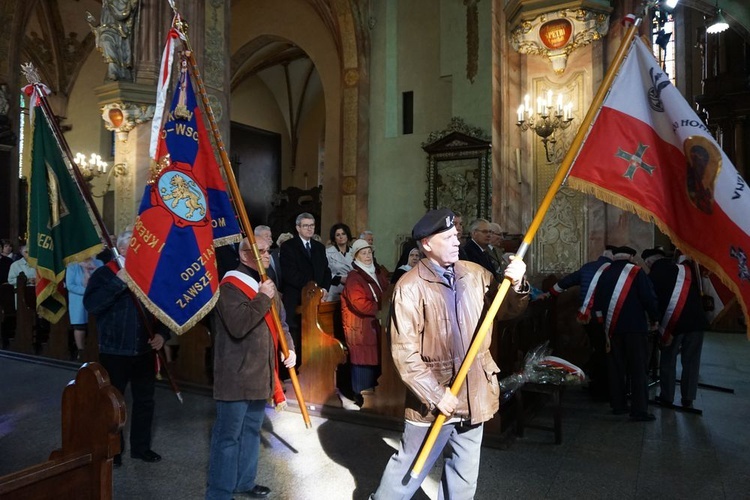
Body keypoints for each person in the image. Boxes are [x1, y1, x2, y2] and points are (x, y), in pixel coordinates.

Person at [371, 208, 529, 499]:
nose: (457, 241)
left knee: (464, 474)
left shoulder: (475, 273)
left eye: (457, 235)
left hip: (475, 390)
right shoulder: (410, 287)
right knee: (409, 471)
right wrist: (434, 393)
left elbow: (506, 310)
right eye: (448, 237)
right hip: (434, 399)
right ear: (428, 244)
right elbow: (404, 354)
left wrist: (516, 283)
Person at [205, 237, 296, 500]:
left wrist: (289, 348)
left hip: (261, 374)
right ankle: (219, 493)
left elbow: (282, 324)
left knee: (251, 432)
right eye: (261, 251)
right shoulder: (229, 286)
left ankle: (244, 482)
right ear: (244, 255)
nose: (267, 255)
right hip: (235, 375)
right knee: (228, 438)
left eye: (268, 250)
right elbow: (238, 324)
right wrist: (263, 297)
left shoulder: (266, 284)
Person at [83, 230, 167, 466]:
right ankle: (114, 450)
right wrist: (118, 282)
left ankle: (141, 448)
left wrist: (162, 334)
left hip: (144, 349)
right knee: (114, 403)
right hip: (115, 350)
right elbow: (92, 304)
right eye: (134, 246)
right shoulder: (105, 274)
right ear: (121, 250)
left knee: (145, 401)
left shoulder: (149, 274)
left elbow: (161, 309)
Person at [592, 246, 659, 421]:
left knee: (615, 368)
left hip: (611, 329)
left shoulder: (605, 273)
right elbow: (648, 298)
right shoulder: (637, 272)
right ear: (630, 257)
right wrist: (655, 318)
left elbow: (597, 302)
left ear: (614, 258)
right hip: (635, 328)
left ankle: (618, 405)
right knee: (638, 369)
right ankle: (639, 410)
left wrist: (602, 325)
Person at [644, 248, 708, 409]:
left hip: (674, 325)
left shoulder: (652, 275)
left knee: (668, 359)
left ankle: (667, 396)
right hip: (696, 322)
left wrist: (655, 322)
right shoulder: (684, 269)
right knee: (692, 361)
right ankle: (688, 398)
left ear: (649, 262)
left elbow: (652, 302)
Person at [549, 245, 616, 400]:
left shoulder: (588, 267)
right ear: (612, 257)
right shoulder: (612, 270)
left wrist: (550, 292)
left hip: (586, 317)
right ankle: (602, 389)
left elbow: (566, 281)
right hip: (602, 318)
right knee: (604, 352)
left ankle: (593, 381)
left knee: (596, 349)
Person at [338, 238, 389, 410]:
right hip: (361, 327)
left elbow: (386, 291)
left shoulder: (377, 272)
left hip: (375, 325)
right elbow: (359, 303)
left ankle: (374, 397)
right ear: (356, 257)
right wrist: (381, 309)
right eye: (363, 253)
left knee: (375, 359)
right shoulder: (355, 277)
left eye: (369, 252)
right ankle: (360, 396)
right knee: (364, 361)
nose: (367, 256)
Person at [280, 213, 332, 368]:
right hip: (296, 297)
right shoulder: (288, 246)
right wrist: (312, 288)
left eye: (312, 225)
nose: (310, 229)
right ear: (298, 228)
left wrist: (324, 288)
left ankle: (312, 366)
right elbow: (290, 274)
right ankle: (294, 369)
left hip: (315, 299)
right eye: (306, 225)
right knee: (295, 333)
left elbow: (326, 271)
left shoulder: (319, 247)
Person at [65, 257, 103, 361]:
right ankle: (80, 352)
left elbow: (102, 280)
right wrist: (87, 291)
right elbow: (70, 286)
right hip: (78, 300)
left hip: (96, 299)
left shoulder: (99, 263)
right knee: (80, 326)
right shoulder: (72, 265)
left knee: (96, 325)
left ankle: (97, 349)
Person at [326, 223, 354, 301]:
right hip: (335, 287)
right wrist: (339, 278)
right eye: (338, 235)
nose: (341, 237)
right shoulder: (328, 253)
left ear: (347, 236)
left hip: (351, 287)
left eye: (343, 234)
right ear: (334, 238)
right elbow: (325, 271)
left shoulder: (354, 252)